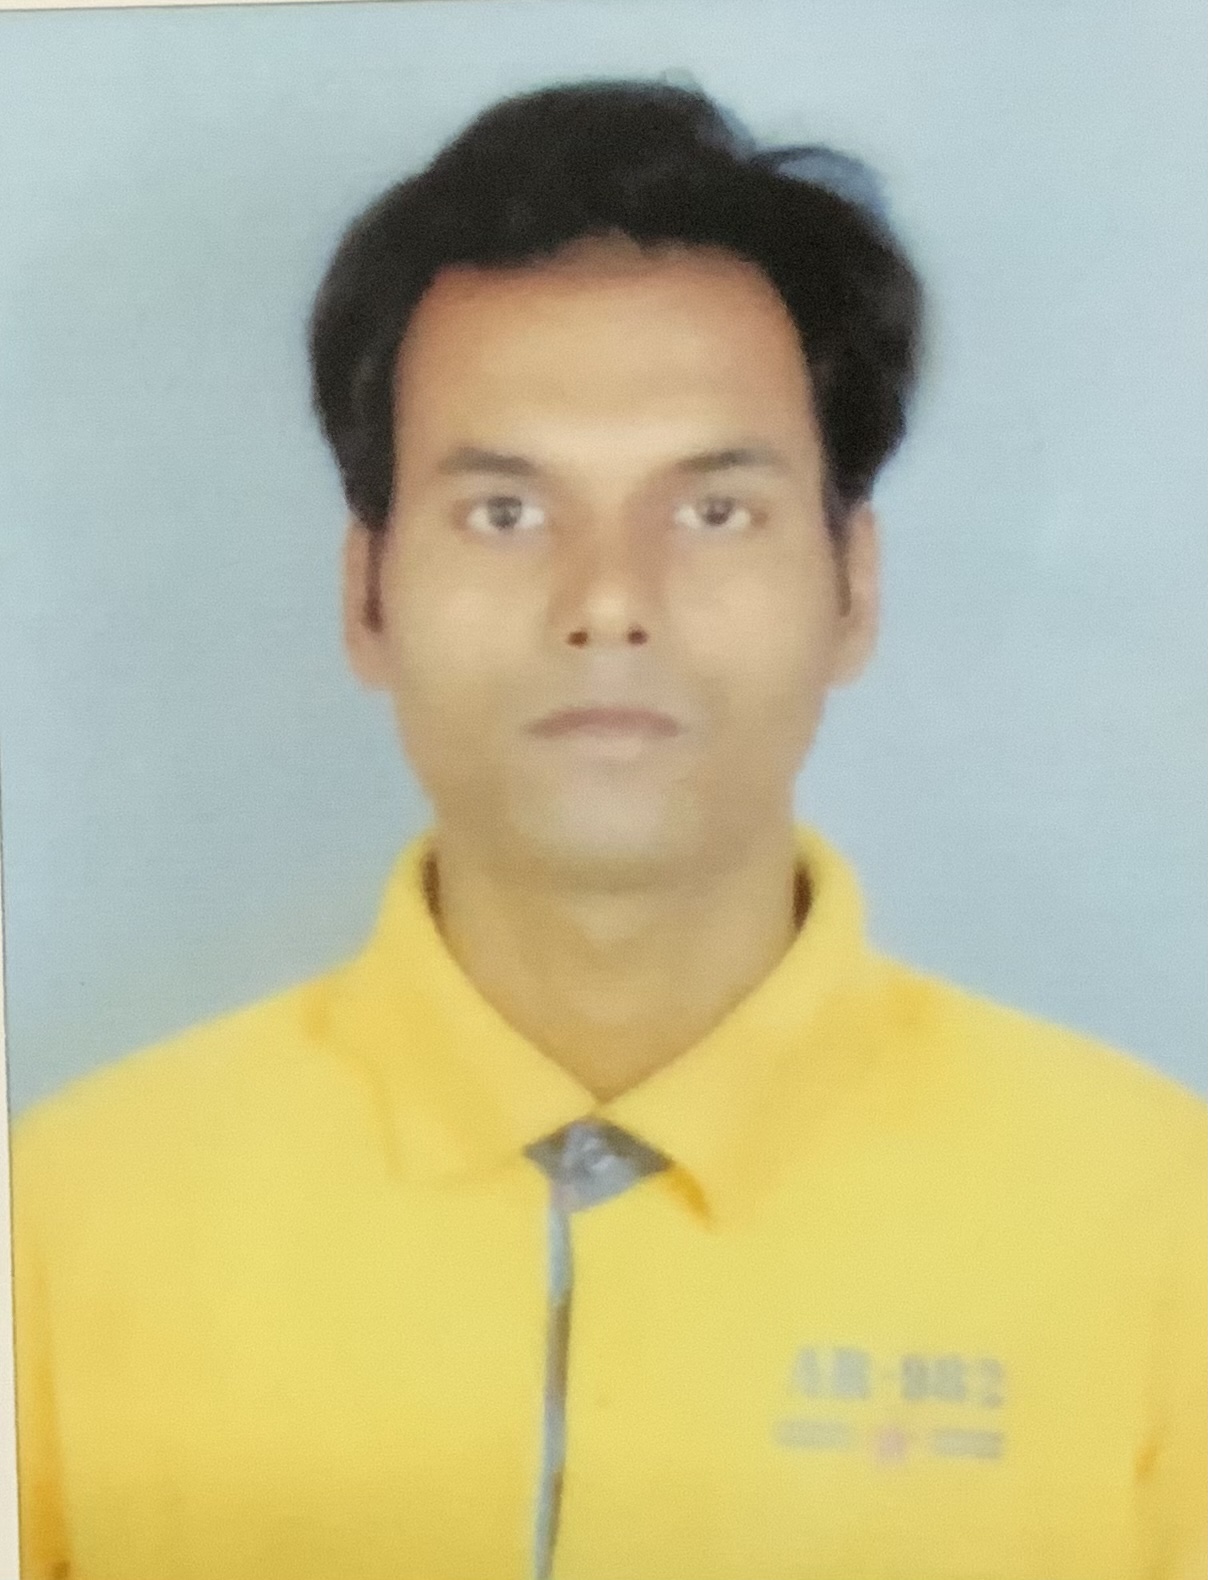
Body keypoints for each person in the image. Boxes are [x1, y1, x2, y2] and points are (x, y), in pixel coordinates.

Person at [9, 77, 1206, 1580]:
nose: (609, 603)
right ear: (366, 595)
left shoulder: (1159, 1220)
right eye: (506, 513)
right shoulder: (65, 1218)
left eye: (714, 512)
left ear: (854, 587)